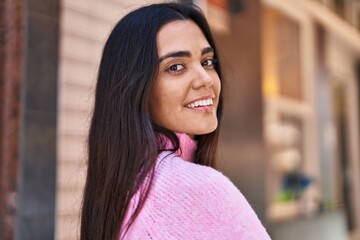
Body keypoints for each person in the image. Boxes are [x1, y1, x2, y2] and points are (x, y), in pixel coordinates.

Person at [80, 2, 271, 240]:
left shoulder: (123, 187)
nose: (205, 79)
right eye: (176, 67)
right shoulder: (193, 187)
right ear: (135, 89)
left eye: (207, 62)